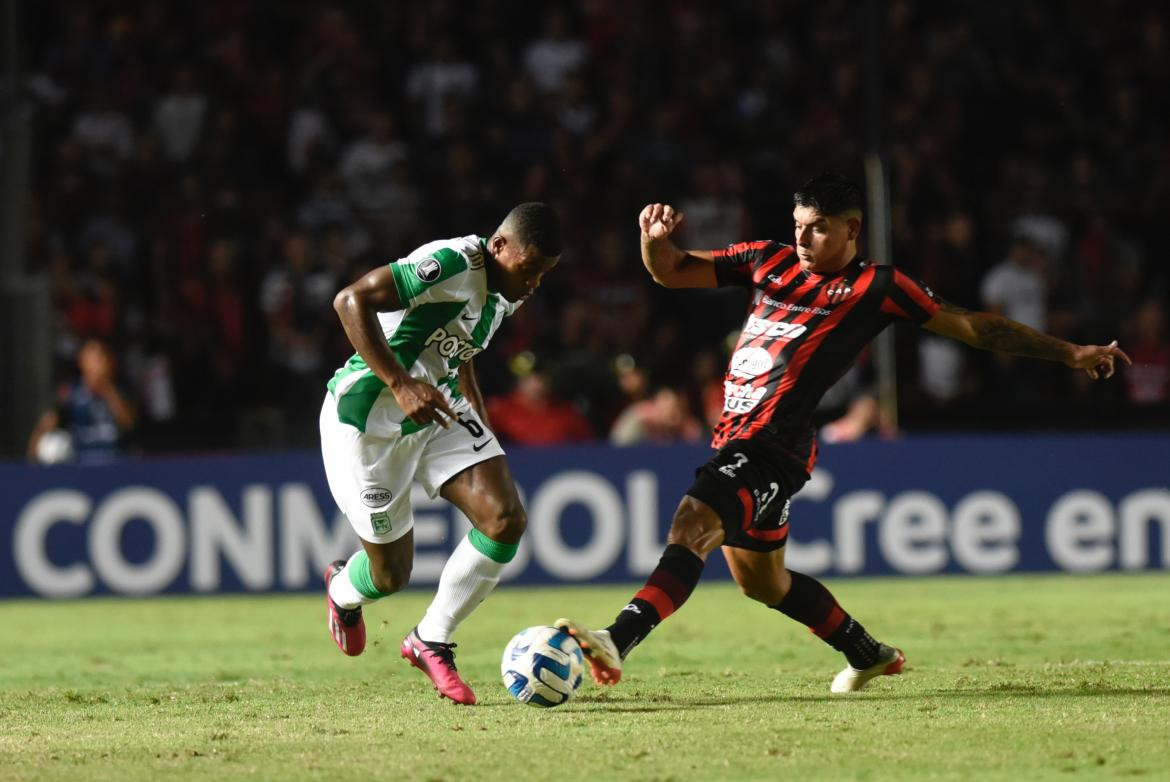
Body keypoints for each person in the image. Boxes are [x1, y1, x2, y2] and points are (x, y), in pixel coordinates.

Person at [554, 174, 1130, 693]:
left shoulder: (878, 288)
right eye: (799, 226)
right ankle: (867, 653)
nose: (803, 240)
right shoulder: (765, 260)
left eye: (819, 229)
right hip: (737, 440)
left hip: (772, 447)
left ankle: (615, 638)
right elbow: (674, 270)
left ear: (853, 229)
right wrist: (653, 243)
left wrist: (1070, 353)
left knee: (692, 522)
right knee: (763, 582)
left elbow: (978, 327)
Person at [320, 203, 561, 705]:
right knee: (390, 575)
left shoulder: (506, 292)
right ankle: (343, 591)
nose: (534, 284)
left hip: (437, 406)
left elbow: (459, 352)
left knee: (505, 518)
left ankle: (431, 638)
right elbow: (349, 302)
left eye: (543, 275)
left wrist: (481, 427)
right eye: (529, 269)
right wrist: (401, 383)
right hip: (369, 420)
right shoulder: (452, 263)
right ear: (499, 247)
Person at [27, 338, 138, 464]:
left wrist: (107, 388)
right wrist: (33, 456)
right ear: (82, 360)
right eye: (94, 358)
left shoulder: (122, 388)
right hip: (81, 464)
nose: (99, 362)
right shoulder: (70, 393)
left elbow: (128, 423)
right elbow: (47, 423)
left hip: (115, 462)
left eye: (102, 357)